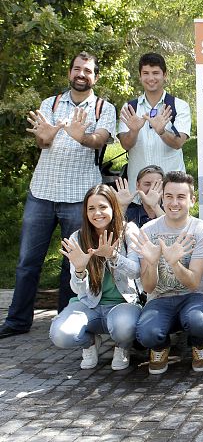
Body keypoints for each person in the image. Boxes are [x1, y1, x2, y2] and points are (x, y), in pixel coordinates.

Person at [1, 51, 117, 339]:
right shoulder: (49, 103)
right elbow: (42, 141)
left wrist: (81, 136)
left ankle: (68, 319)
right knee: (28, 261)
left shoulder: (104, 108)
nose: (81, 74)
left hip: (80, 197)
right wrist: (48, 134)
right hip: (42, 193)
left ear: (95, 77)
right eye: (77, 69)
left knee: (73, 261)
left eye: (87, 71)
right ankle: (17, 321)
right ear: (69, 73)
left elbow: (99, 140)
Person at [49, 185, 142, 370]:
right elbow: (77, 289)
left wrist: (113, 256)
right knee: (60, 335)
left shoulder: (129, 231)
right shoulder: (78, 237)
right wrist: (80, 270)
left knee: (124, 328)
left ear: (113, 208)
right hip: (88, 304)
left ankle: (122, 346)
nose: (97, 213)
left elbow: (136, 271)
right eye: (91, 208)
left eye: (103, 207)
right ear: (85, 212)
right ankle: (90, 343)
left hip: (123, 303)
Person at [130, 171, 203, 374]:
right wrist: (151, 263)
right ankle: (160, 347)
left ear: (192, 200)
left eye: (181, 197)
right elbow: (149, 287)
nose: (174, 202)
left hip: (193, 296)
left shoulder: (201, 229)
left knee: (199, 322)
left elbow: (194, 283)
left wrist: (174, 263)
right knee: (147, 334)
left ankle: (199, 344)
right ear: (162, 197)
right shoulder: (149, 230)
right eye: (169, 196)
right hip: (159, 297)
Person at [118, 53, 191, 195]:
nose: (151, 78)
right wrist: (133, 131)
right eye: (145, 73)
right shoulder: (130, 108)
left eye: (156, 73)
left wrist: (162, 132)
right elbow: (125, 145)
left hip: (171, 189)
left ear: (165, 75)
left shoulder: (179, 106)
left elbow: (178, 143)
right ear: (140, 76)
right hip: (138, 191)